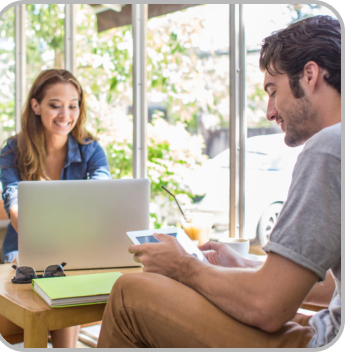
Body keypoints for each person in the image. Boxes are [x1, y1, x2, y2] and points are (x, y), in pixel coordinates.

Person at [97, 15, 341, 348]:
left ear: (310, 75)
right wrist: (248, 264)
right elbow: (331, 286)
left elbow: (267, 307)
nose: (270, 111)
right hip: (327, 321)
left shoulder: (329, 148)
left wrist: (183, 266)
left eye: (273, 91)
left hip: (322, 339)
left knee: (130, 292)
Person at [0, 69, 111, 348]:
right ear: (36, 106)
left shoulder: (91, 150)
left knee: (67, 275)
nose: (65, 115)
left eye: (73, 105)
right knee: (60, 278)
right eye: (54, 105)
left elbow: (102, 198)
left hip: (78, 251)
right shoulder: (13, 150)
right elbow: (15, 204)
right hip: (25, 251)